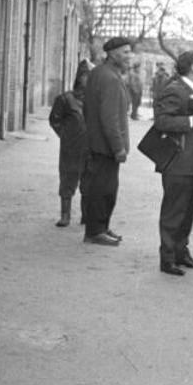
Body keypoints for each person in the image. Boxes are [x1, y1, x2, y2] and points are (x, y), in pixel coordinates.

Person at [151, 50, 193, 275]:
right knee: (174, 211)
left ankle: (180, 252)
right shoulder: (175, 90)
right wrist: (191, 120)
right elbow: (162, 121)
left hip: (190, 162)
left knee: (186, 211)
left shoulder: (190, 90)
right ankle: (167, 259)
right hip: (178, 162)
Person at [82, 37, 133, 246]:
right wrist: (118, 147)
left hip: (96, 143)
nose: (129, 57)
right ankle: (95, 232)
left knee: (101, 188)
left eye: (130, 52)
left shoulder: (99, 73)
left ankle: (101, 227)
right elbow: (109, 118)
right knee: (104, 190)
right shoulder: (110, 78)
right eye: (125, 52)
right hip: (105, 147)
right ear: (112, 54)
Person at [49, 63, 90, 228]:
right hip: (71, 147)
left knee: (89, 181)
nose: (89, 80)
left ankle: (86, 215)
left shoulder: (96, 100)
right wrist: (66, 136)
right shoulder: (65, 99)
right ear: (79, 77)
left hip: (90, 147)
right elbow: (55, 120)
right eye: (86, 76)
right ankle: (65, 215)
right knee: (68, 179)